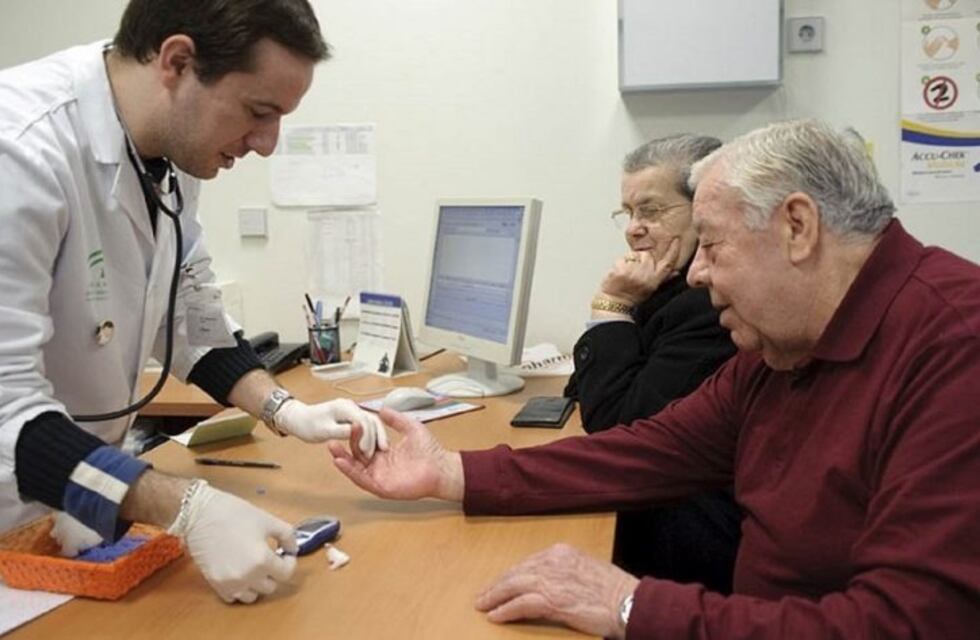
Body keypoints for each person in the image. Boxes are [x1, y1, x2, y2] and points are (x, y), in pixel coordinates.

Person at [330, 119, 980, 638]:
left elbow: (911, 624)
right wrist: (452, 473)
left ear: (797, 228)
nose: (695, 274)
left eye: (714, 246)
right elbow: (650, 450)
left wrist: (631, 605)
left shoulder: (956, 349)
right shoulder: (781, 343)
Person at [0, 0, 387, 604]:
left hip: (76, 510)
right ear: (178, 62)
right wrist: (188, 506)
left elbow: (189, 313)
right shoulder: (19, 151)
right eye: (259, 112)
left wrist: (285, 409)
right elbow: (5, 416)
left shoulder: (170, 150)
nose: (266, 144)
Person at [564, 134, 737, 591]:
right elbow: (583, 391)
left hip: (692, 551)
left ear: (705, 209)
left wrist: (611, 305)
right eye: (629, 212)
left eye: (652, 211)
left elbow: (615, 429)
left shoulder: (709, 306)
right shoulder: (664, 289)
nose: (633, 228)